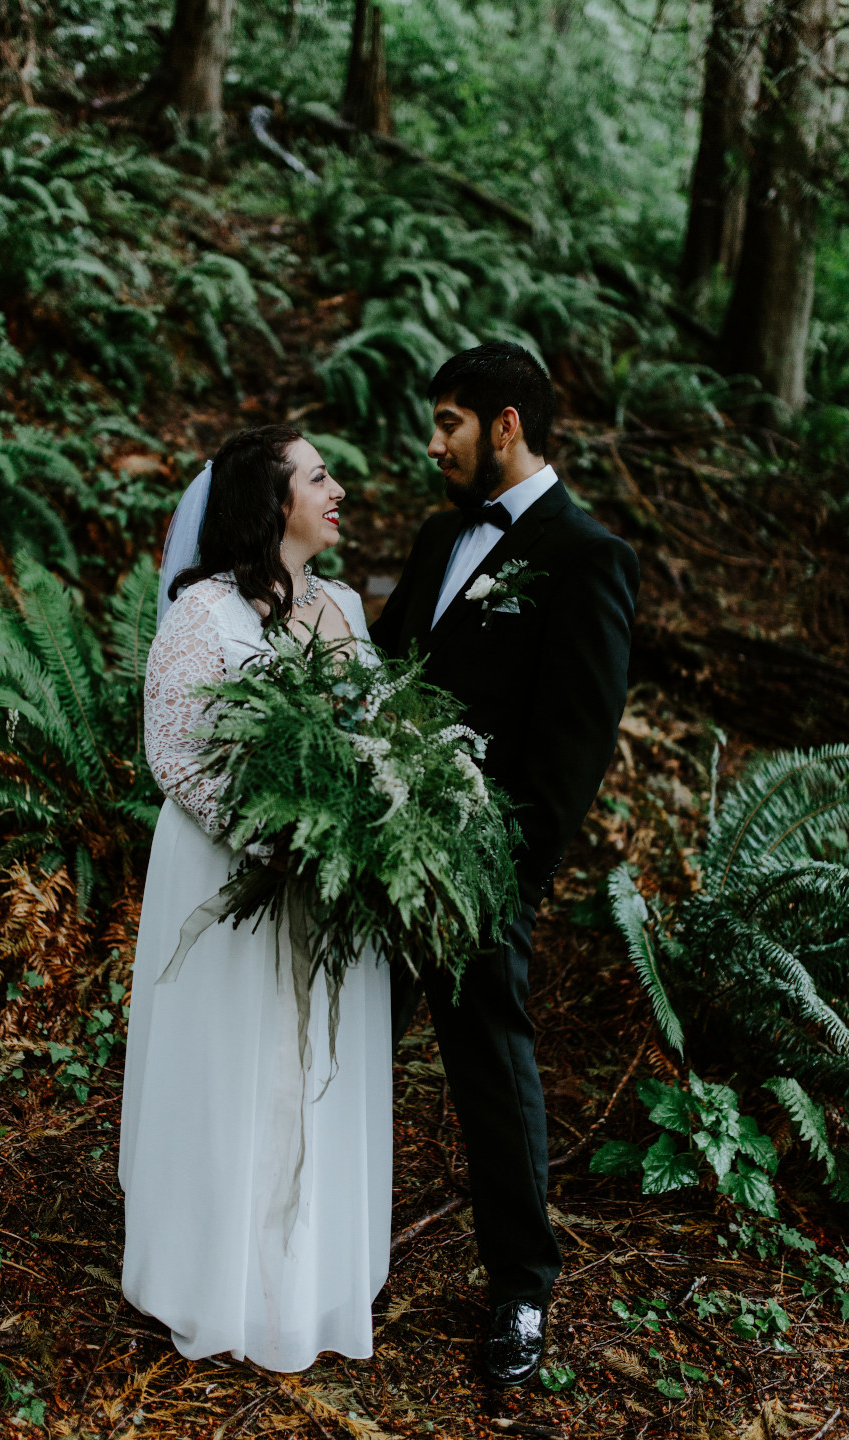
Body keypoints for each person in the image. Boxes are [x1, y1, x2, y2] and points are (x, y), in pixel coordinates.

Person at [371, 341, 639, 1387]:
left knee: (491, 1072)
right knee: (347, 1051)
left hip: (482, 871)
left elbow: (574, 747)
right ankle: (321, 1248)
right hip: (386, 853)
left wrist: (504, 880)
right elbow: (390, 664)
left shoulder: (585, 557)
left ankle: (522, 1289)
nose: (434, 442)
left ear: (508, 425)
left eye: (449, 422)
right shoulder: (442, 535)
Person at [119, 425, 392, 1372]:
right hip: (231, 876)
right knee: (231, 1062)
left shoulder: (350, 610)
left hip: (329, 882)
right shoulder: (206, 615)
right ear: (274, 500)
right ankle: (210, 1276)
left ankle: (303, 1276)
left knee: (314, 1065)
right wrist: (279, 840)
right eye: (320, 475)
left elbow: (380, 739)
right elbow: (177, 748)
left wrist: (362, 833)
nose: (339, 488)